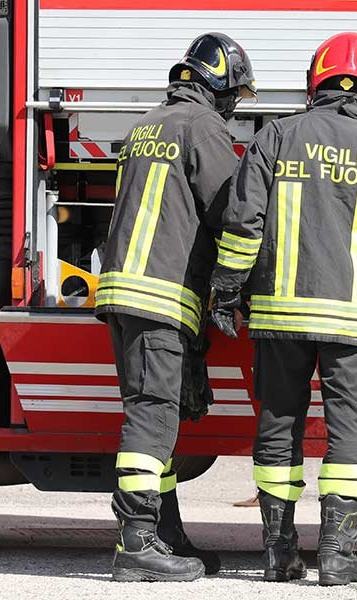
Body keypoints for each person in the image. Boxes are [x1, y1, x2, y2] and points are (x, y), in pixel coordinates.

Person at [209, 32, 357, 586]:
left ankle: (279, 553)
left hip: (280, 319)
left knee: (279, 425)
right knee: (347, 431)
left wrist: (228, 290)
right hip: (355, 322)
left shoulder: (276, 138)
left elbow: (243, 224)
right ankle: (336, 554)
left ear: (317, 81)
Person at [95, 32, 256, 582]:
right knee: (152, 415)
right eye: (234, 94)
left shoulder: (147, 126)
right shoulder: (203, 127)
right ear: (218, 86)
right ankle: (137, 543)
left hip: (121, 293)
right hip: (159, 295)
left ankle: (165, 533)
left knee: (151, 414)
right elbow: (227, 209)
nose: (233, 106)